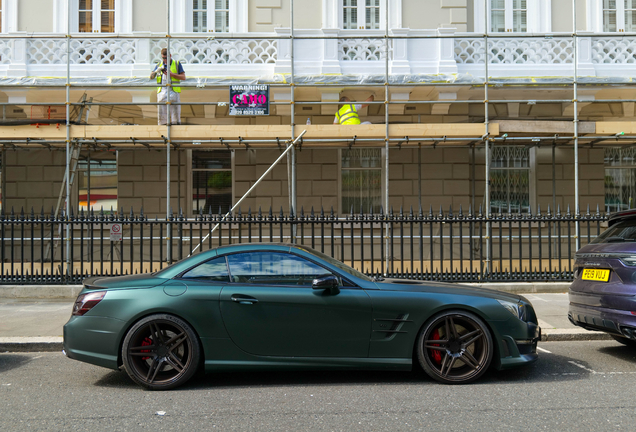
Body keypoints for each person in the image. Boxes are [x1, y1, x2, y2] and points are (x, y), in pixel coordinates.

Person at [150, 48, 186, 125]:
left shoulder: (176, 63)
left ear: (170, 56)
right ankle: (162, 128)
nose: (165, 60)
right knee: (162, 115)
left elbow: (183, 77)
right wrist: (156, 71)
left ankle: (176, 127)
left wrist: (172, 74)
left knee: (175, 115)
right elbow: (151, 77)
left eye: (166, 58)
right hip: (162, 92)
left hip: (173, 91)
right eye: (163, 58)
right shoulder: (159, 65)